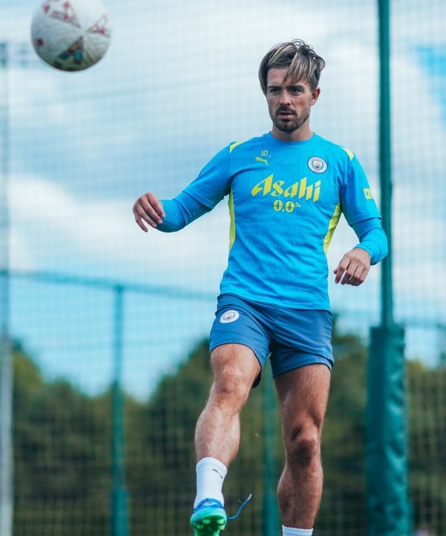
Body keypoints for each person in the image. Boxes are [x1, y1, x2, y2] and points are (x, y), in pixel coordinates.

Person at [131, 39, 388, 536]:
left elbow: (375, 231)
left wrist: (363, 252)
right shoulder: (238, 156)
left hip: (307, 311)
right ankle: (209, 497)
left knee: (305, 442)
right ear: (264, 94)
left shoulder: (340, 162)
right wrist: (155, 210)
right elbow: (182, 209)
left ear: (316, 94)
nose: (284, 100)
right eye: (274, 90)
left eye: (295, 90)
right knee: (229, 385)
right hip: (245, 301)